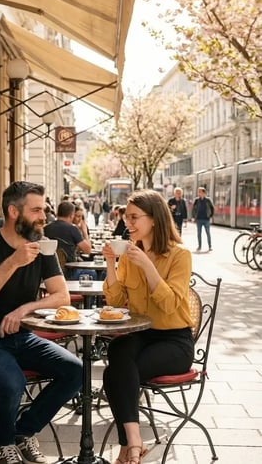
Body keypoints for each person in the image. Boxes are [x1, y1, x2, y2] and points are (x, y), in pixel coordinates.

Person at [0, 181, 82, 464]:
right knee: (12, 380)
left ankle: (24, 432)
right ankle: (4, 445)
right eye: (37, 210)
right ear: (14, 211)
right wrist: (13, 262)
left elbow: (62, 296)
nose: (44, 216)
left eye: (44, 209)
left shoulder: (43, 247)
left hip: (21, 337)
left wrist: (27, 308)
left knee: (75, 371)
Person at [101, 189, 194, 464]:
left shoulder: (180, 255)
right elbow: (116, 300)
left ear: (154, 218)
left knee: (115, 375)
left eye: (133, 217)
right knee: (118, 352)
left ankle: (127, 447)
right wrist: (111, 263)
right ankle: (135, 442)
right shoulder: (129, 255)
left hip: (175, 341)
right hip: (142, 334)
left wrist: (148, 266)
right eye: (125, 217)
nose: (127, 222)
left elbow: (169, 305)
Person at [44, 201, 95, 280]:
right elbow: (88, 250)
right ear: (71, 215)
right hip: (69, 271)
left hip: (48, 272)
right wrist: (84, 232)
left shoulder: (46, 228)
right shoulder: (72, 229)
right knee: (92, 273)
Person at [191, 187, 214, 251]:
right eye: (198, 192)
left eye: (200, 192)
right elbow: (193, 209)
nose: (198, 193)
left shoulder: (208, 200)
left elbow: (212, 208)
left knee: (208, 233)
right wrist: (193, 217)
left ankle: (210, 246)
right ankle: (199, 246)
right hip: (199, 219)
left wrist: (211, 216)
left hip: (206, 219)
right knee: (199, 233)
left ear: (204, 192)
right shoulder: (196, 200)